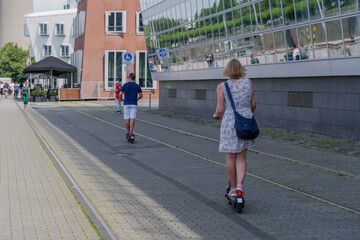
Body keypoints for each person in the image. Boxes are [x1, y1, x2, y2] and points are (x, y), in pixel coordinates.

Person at [213, 59, 256, 197]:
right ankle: (240, 186)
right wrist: (246, 115)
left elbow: (220, 109)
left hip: (230, 122)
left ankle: (232, 188)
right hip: (246, 120)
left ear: (227, 70)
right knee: (242, 157)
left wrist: (216, 116)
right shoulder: (248, 82)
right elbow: (254, 104)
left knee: (230, 157)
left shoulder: (222, 86)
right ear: (241, 69)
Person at [119, 73, 143, 141]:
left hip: (126, 103)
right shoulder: (137, 86)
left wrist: (121, 99)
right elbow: (141, 95)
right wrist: (137, 98)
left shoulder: (125, 85)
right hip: (134, 104)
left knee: (126, 118)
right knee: (132, 118)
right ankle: (131, 132)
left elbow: (120, 94)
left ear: (129, 77)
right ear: (134, 78)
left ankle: (127, 132)